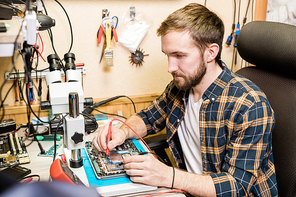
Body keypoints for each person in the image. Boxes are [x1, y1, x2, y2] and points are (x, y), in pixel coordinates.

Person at [93, 3, 278, 196]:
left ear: (211, 52)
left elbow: (236, 187)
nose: (170, 67)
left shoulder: (250, 105)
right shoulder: (180, 86)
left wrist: (167, 176)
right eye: (168, 55)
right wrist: (122, 132)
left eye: (179, 55)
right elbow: (148, 118)